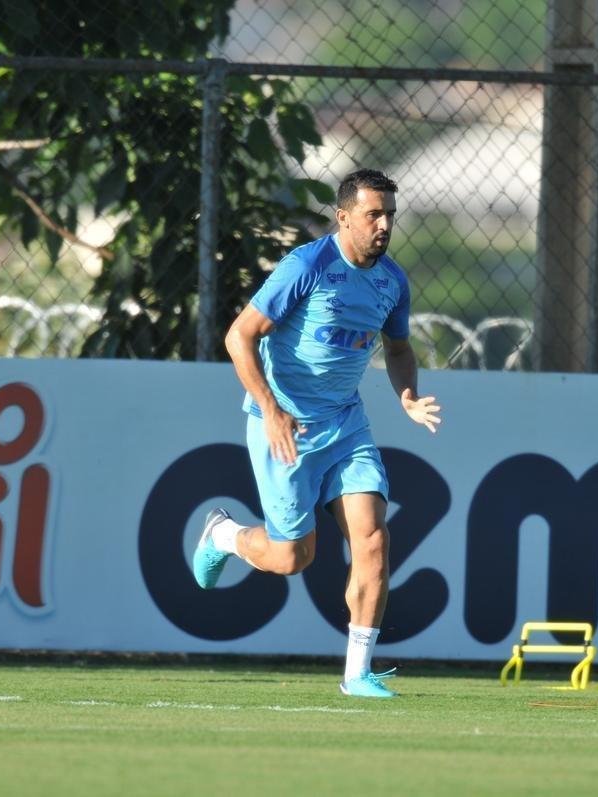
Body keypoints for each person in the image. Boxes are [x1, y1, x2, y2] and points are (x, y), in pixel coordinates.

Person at [192, 168, 441, 699]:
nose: (384, 225)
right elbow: (239, 337)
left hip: (347, 424)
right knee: (291, 558)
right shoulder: (306, 266)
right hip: (285, 426)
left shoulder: (391, 281)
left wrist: (407, 397)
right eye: (374, 214)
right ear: (344, 215)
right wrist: (272, 409)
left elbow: (397, 350)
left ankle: (357, 673)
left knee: (374, 539)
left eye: (390, 215)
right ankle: (223, 535)